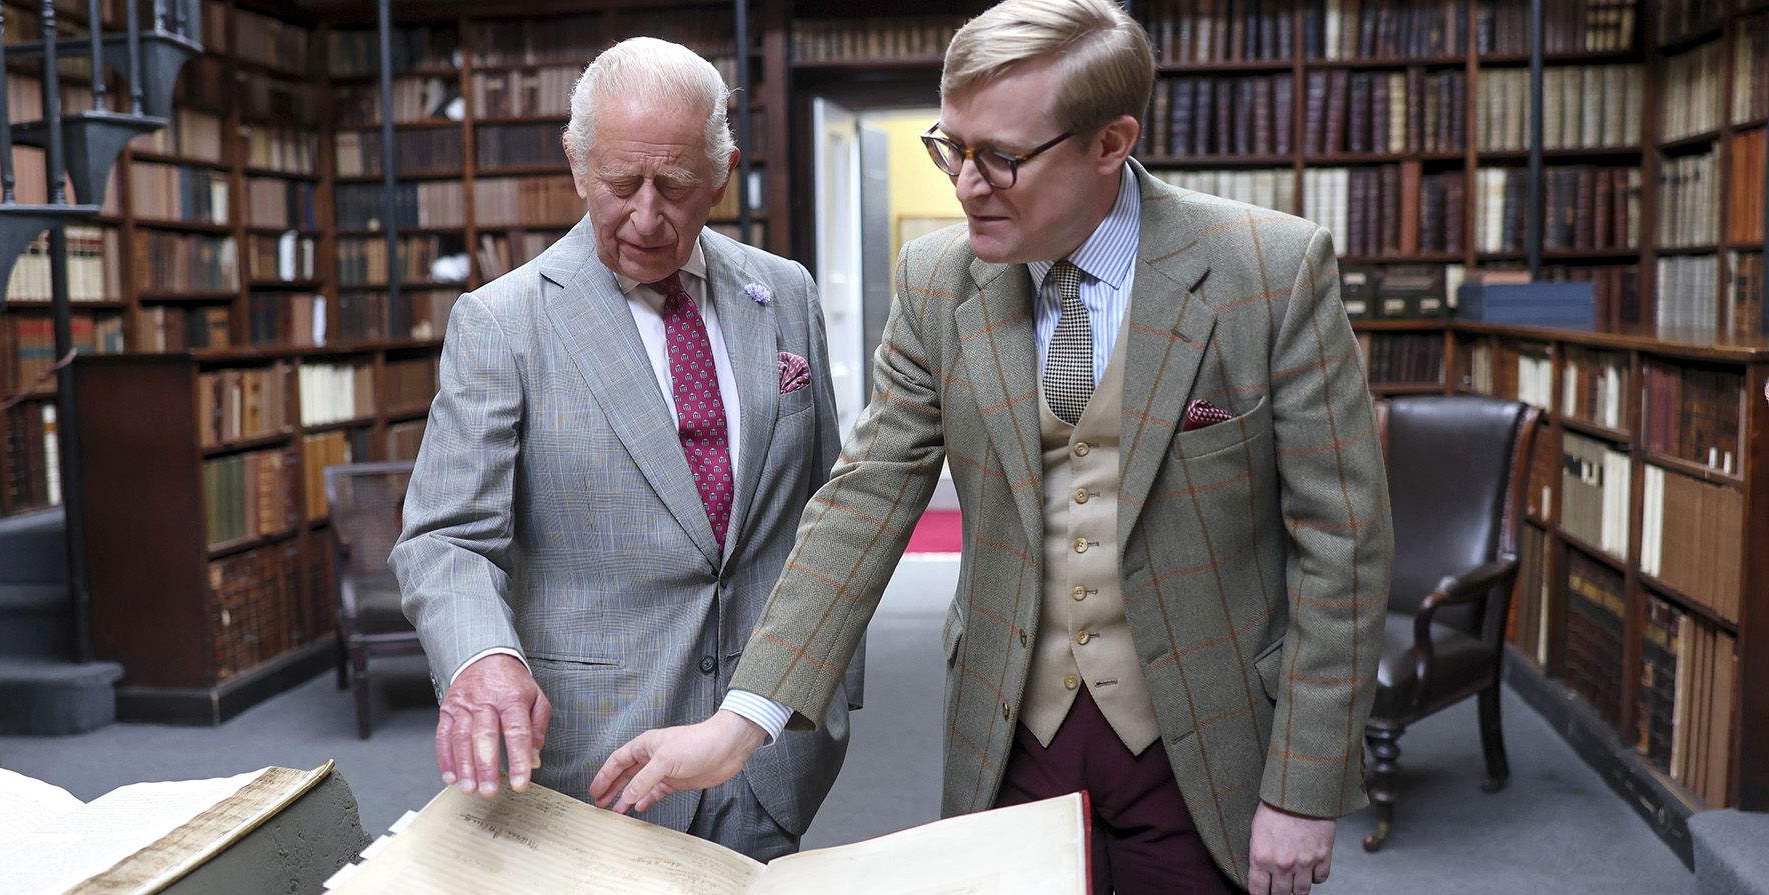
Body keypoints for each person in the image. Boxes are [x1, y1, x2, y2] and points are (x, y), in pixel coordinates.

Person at [590, 2, 1392, 894]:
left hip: (1210, 740)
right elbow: (864, 497)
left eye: (1001, 156)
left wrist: (1304, 786)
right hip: (1012, 732)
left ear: (1110, 142)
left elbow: (1343, 545)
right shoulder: (937, 283)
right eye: (953, 147)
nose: (966, 184)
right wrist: (742, 719)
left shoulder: (1269, 273)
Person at [388, 36, 859, 861]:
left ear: (722, 173)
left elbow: (829, 506)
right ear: (576, 165)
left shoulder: (785, 292)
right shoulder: (504, 322)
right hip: (594, 762)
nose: (646, 215)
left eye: (674, 185)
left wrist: (829, 690)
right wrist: (482, 657)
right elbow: (446, 536)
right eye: (620, 183)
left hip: (769, 754)